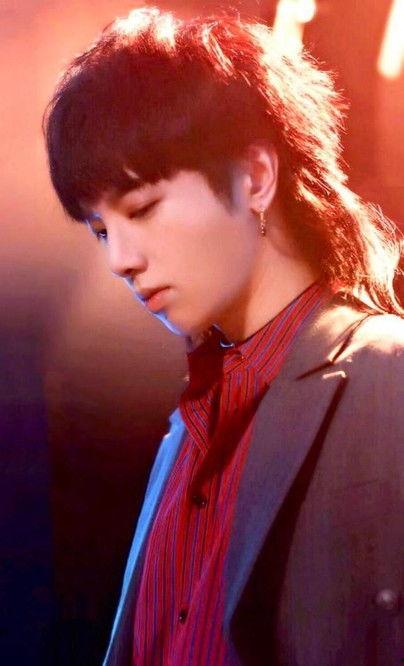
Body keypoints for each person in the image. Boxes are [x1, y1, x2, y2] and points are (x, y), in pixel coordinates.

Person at [43, 6, 404, 665]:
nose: (118, 259)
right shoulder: (188, 430)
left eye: (142, 207)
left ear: (255, 177)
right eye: (99, 230)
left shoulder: (388, 378)